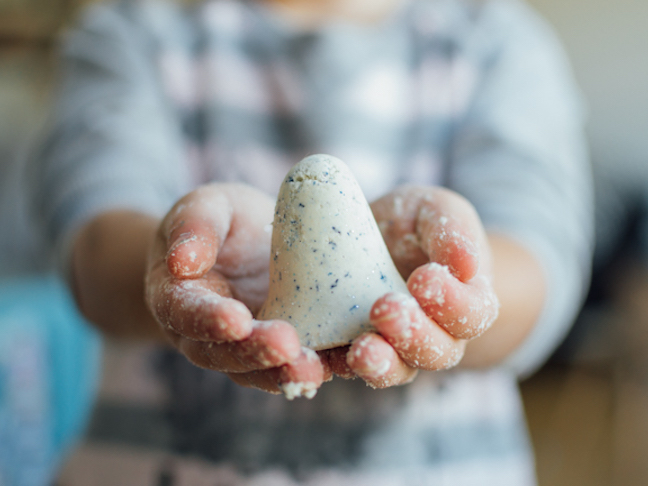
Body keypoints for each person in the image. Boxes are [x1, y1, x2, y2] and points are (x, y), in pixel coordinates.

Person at [31, 0, 593, 483]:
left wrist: (458, 286)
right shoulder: (135, 30)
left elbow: (540, 266)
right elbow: (94, 248)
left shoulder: (494, 43)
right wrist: (174, 260)